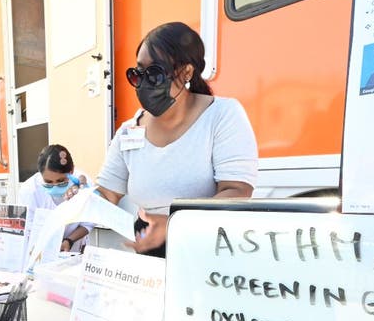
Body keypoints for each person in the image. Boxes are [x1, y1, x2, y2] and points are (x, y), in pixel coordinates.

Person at [97, 22, 257, 257]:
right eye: (138, 73)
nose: (143, 82)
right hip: (149, 246)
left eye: (154, 73)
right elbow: (108, 193)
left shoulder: (222, 115)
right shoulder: (128, 131)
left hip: (207, 246)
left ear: (187, 72)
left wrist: (175, 224)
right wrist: (80, 200)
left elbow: (237, 190)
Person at [18, 144, 93, 252]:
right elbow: (28, 227)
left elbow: (88, 223)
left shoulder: (83, 185)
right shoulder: (29, 190)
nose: (54, 186)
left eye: (61, 181)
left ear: (71, 171)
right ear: (40, 173)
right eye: (48, 182)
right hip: (40, 249)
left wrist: (69, 241)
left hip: (74, 247)